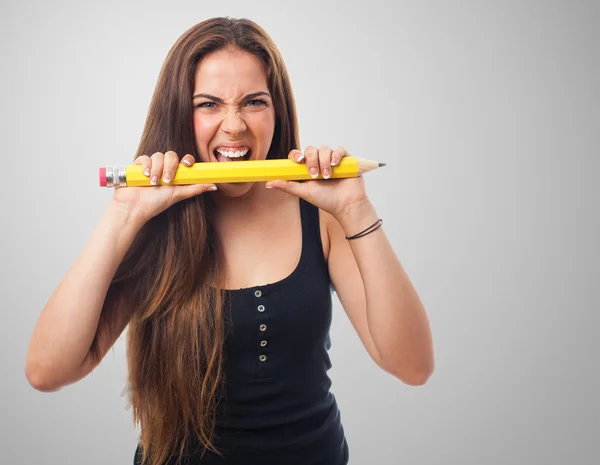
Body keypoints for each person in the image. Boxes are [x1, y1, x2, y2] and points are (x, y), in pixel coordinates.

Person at [24, 17, 434, 465]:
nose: (234, 126)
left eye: (253, 102)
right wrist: (124, 216)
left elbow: (412, 366)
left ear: (277, 110)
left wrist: (357, 211)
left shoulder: (322, 215)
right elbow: (47, 371)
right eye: (209, 104)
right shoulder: (151, 222)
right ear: (181, 112)